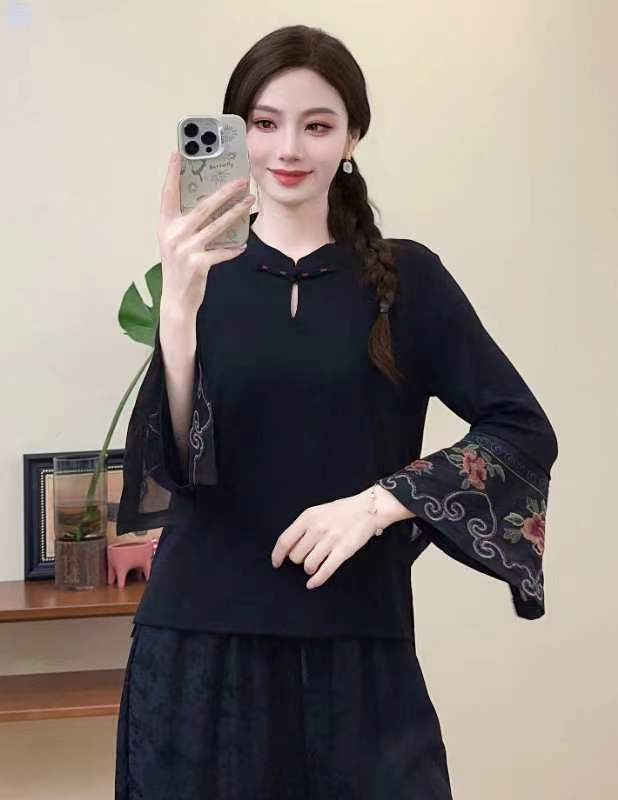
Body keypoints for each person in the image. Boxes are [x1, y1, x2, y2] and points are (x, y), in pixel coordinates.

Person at [114, 24, 558, 800]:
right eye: (265, 123)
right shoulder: (199, 277)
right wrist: (178, 309)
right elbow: (174, 466)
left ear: (351, 138)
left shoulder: (408, 281)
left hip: (357, 645)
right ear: (238, 133)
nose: (288, 148)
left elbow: (521, 430)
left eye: (316, 125)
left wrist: (379, 503)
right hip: (197, 647)